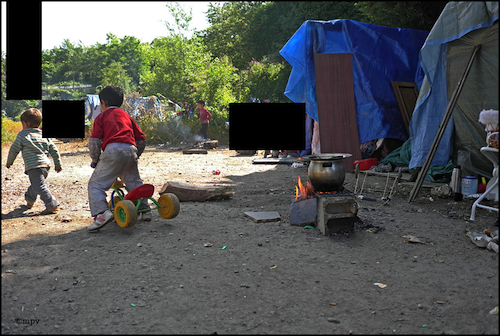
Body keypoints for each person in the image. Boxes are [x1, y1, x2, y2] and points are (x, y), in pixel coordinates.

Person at [87, 85, 149, 231]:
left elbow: (95, 141)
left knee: (95, 185)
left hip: (113, 150)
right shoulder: (127, 117)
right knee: (133, 181)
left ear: (103, 102)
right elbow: (141, 139)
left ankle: (102, 213)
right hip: (130, 149)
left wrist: (95, 160)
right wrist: (135, 155)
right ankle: (144, 208)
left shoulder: (101, 117)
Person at [5, 108, 62, 214]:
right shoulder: (44, 135)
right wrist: (58, 164)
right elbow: (54, 150)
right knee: (36, 184)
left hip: (34, 166)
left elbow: (14, 149)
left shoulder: (22, 135)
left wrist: (9, 162)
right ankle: (30, 199)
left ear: (25, 123)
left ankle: (51, 203)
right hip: (45, 165)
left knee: (39, 185)